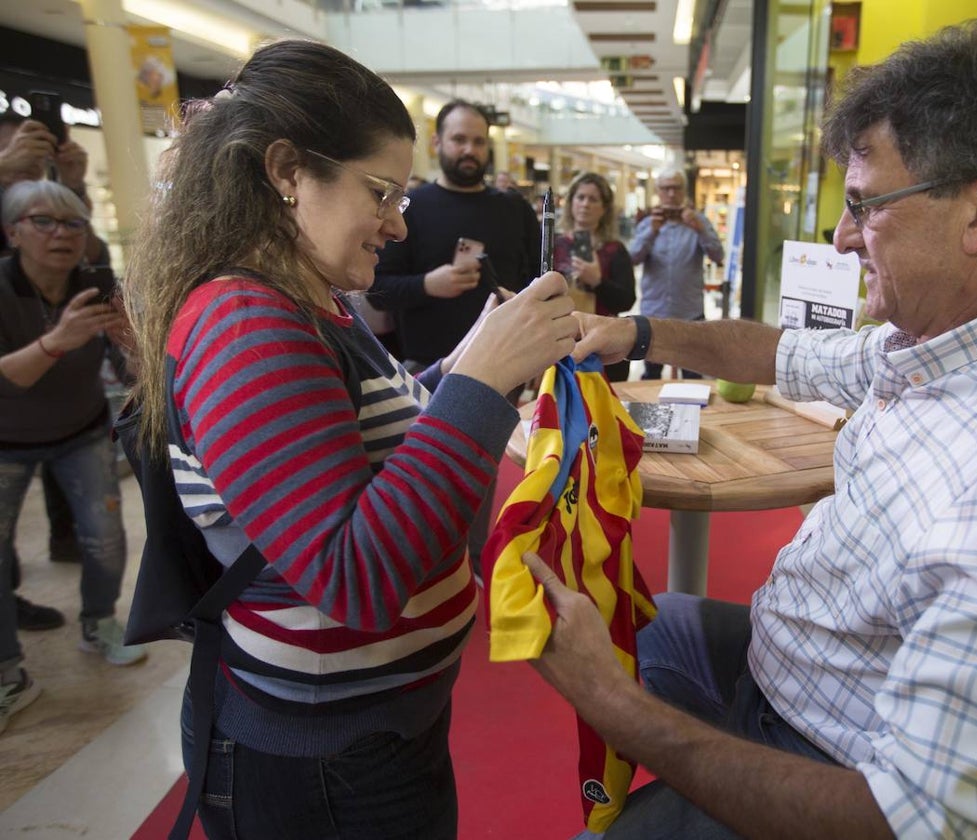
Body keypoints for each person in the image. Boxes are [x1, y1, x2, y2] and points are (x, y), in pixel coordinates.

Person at [520, 20, 977, 839]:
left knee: (607, 692)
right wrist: (641, 335)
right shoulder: (934, 344)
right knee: (629, 622)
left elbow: (917, 819)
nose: (841, 237)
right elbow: (786, 353)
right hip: (787, 663)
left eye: (866, 206)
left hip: (832, 758)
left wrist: (612, 705)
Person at [121, 41, 575, 839]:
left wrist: (469, 367)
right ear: (289, 170)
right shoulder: (244, 324)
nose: (398, 224)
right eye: (380, 193)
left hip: (369, 734)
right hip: (322, 766)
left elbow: (368, 439)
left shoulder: (307, 300)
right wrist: (475, 386)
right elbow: (353, 578)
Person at [369, 98, 540, 576]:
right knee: (424, 482)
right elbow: (377, 290)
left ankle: (471, 567)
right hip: (428, 369)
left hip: (503, 368)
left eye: (479, 141)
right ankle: (426, 568)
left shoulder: (513, 210)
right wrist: (430, 284)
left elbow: (535, 277)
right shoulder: (412, 208)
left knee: (480, 479)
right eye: (459, 139)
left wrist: (520, 298)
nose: (470, 149)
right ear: (439, 143)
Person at [1, 179, 149, 730]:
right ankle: (7, 671)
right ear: (14, 232)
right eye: (44, 222)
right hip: (5, 439)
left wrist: (135, 343)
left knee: (106, 537)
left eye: (74, 224)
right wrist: (57, 341)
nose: (61, 234)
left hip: (82, 429)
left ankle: (99, 622)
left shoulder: (97, 281)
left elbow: (132, 367)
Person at [627, 165, 723, 380]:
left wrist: (700, 229)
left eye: (677, 188)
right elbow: (631, 260)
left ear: (684, 191)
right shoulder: (647, 225)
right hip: (654, 314)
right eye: (666, 188)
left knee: (692, 377)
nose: (671, 194)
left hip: (690, 314)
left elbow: (718, 256)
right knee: (651, 376)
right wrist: (651, 233)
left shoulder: (699, 222)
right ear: (658, 192)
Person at [553, 171, 636, 381]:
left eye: (593, 199)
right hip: (559, 342)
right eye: (580, 197)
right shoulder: (554, 245)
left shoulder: (614, 250)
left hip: (604, 347)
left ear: (604, 208)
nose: (585, 204)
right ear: (571, 202)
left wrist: (598, 282)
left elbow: (626, 300)